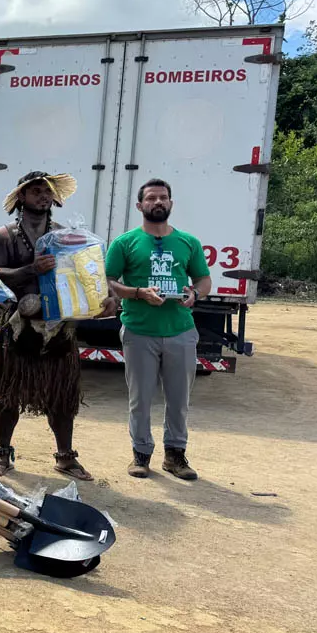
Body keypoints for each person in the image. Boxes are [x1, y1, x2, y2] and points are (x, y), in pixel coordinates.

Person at [0, 172, 117, 481]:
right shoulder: (2, 236)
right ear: (21, 196)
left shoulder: (66, 236)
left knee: (62, 394)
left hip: (59, 327)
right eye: (35, 190)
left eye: (47, 191)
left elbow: (86, 276)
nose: (42, 196)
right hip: (17, 327)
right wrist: (29, 269)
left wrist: (104, 297)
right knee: (8, 394)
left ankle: (65, 457)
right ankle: (3, 453)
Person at [106, 179, 211, 480]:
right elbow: (109, 280)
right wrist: (139, 293)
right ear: (140, 206)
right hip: (139, 331)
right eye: (151, 198)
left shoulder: (188, 242)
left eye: (163, 197)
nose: (158, 202)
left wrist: (196, 295)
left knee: (179, 400)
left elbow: (203, 279)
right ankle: (140, 455)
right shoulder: (125, 243)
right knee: (140, 399)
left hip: (180, 330)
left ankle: (175, 456)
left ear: (171, 203)